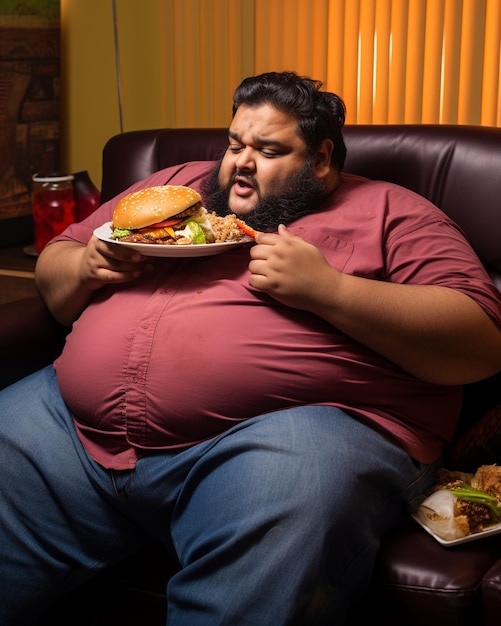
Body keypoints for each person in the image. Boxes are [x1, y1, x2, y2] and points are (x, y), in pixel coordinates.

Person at [1, 71, 501, 625]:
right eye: (235, 144)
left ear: (320, 159)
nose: (240, 162)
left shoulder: (390, 212)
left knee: (288, 494)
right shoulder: (175, 186)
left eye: (268, 150)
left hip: (285, 436)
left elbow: (479, 340)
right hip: (71, 431)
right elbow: (58, 259)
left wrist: (331, 292)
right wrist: (85, 264)